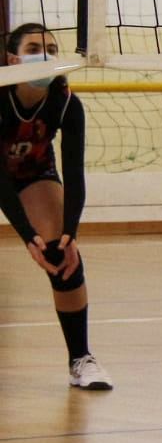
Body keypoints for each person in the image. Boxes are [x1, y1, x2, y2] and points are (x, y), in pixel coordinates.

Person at [0, 24, 109, 390]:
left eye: (50, 47)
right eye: (33, 47)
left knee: (62, 256)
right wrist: (26, 235)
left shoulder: (64, 101)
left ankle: (81, 359)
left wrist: (69, 233)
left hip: (34, 173)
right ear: (12, 60)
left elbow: (74, 174)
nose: (43, 54)